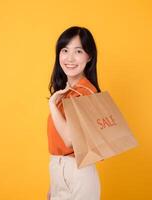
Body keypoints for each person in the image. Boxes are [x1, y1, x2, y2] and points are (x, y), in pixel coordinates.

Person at [47, 26, 102, 200]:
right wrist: (53, 185)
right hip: (59, 169)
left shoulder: (85, 92)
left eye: (78, 51)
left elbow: (70, 140)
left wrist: (52, 104)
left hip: (78, 173)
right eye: (65, 50)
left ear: (89, 56)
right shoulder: (68, 91)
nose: (70, 58)